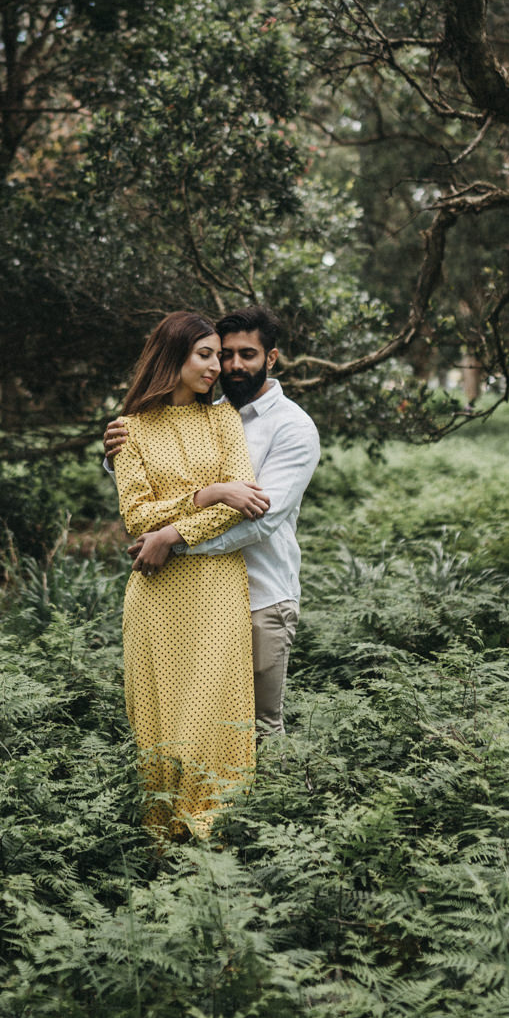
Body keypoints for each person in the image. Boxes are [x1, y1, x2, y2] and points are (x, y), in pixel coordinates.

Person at [108, 305, 321, 735]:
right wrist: (117, 459)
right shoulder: (210, 410)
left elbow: (260, 520)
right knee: (200, 726)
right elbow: (156, 480)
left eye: (248, 354)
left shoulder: (292, 428)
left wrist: (169, 538)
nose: (233, 365)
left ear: (271, 358)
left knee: (259, 727)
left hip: (261, 595)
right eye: (225, 354)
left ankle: (278, 804)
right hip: (191, 595)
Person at [113, 310, 269, 841]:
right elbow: (137, 517)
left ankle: (212, 838)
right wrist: (210, 493)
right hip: (156, 597)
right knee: (161, 733)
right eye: (206, 355)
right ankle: (163, 847)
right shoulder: (129, 430)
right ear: (173, 355)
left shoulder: (222, 420)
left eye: (219, 356)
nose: (217, 367)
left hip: (218, 589)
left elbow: (244, 503)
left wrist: (178, 525)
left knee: (211, 722)